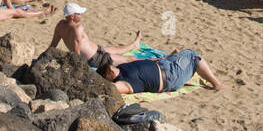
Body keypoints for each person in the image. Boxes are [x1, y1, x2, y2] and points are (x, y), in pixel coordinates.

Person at [47, 3, 142, 66]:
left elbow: (52, 46)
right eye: (79, 13)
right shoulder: (77, 29)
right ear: (72, 16)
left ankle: (134, 45)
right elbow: (76, 53)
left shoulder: (60, 25)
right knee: (129, 60)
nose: (82, 15)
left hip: (97, 51)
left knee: (113, 48)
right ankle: (154, 61)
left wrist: (44, 57)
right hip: (95, 58)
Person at [96, 47, 225, 93]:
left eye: (109, 67)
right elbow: (113, 88)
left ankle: (171, 58)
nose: (111, 69)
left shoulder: (121, 68)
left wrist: (163, 58)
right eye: (108, 72)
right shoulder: (124, 82)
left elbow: (134, 60)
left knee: (180, 54)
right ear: (108, 78)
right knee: (193, 56)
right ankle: (217, 84)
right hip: (169, 77)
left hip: (164, 64)